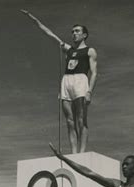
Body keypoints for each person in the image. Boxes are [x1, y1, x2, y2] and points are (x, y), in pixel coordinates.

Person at [21, 10, 98, 154]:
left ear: (84, 35)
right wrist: (32, 17)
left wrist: (89, 91)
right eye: (72, 31)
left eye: (77, 31)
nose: (74, 33)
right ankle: (74, 152)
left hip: (80, 80)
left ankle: (82, 152)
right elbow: (50, 34)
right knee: (69, 120)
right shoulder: (68, 50)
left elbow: (94, 73)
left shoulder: (90, 51)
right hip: (66, 82)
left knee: (81, 119)